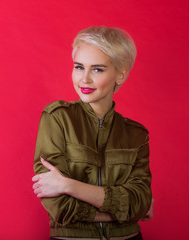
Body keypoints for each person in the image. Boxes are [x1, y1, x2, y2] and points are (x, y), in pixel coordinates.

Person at [32, 26, 153, 240]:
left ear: (121, 74)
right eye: (79, 67)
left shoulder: (136, 135)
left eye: (97, 69)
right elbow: (61, 208)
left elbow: (139, 200)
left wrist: (70, 185)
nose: (84, 79)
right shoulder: (57, 118)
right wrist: (123, 213)